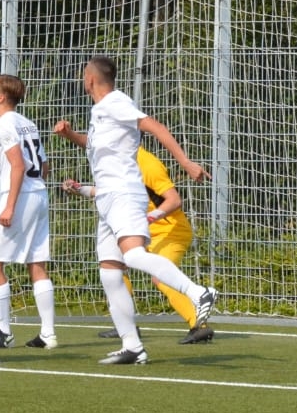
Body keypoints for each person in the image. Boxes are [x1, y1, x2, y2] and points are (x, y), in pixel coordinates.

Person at [52, 55, 215, 365]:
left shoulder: (115, 102)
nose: (82, 79)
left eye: (84, 74)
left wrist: (185, 161)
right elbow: (95, 147)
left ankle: (197, 292)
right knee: (110, 272)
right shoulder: (100, 111)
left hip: (124, 193)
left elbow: (154, 126)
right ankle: (132, 346)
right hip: (106, 198)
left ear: (91, 79)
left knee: (133, 256)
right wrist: (70, 135)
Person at [63, 146, 213, 345]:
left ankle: (199, 325)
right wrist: (80, 189)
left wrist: (148, 217)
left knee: (160, 277)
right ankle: (126, 325)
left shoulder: (148, 164)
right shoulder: (118, 158)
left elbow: (174, 200)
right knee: (114, 267)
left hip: (169, 231)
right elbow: (109, 192)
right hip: (139, 228)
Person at [0, 73, 57, 352]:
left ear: (2, 96)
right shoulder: (28, 123)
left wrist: (10, 206)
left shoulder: (3, 124)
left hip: (21, 197)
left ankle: (4, 332)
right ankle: (48, 334)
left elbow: (18, 165)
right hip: (39, 194)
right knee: (36, 263)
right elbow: (44, 165)